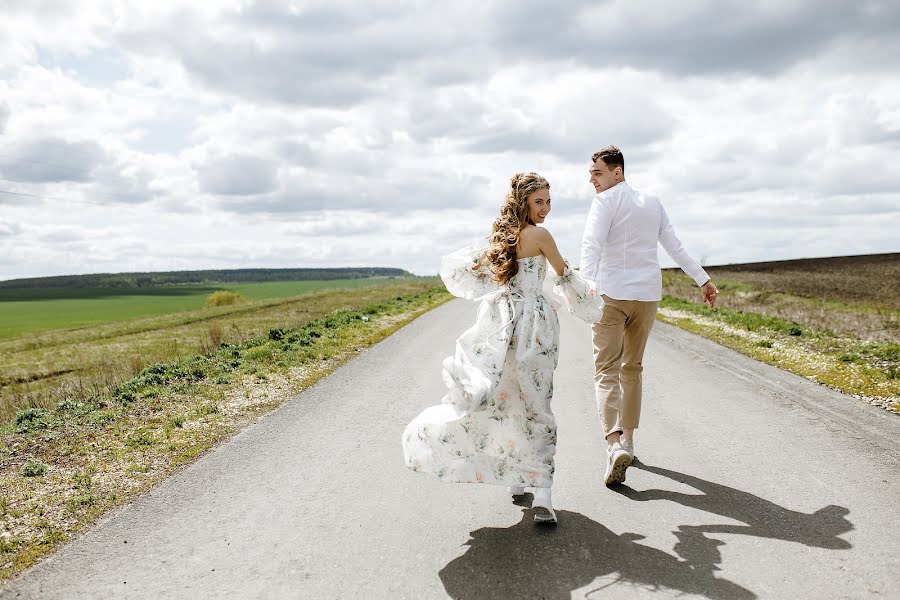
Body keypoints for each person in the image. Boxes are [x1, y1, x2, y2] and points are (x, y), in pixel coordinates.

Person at [403, 172, 604, 525]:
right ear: (524, 201)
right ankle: (541, 490)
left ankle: (516, 477)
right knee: (536, 402)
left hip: (499, 322)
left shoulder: (503, 239)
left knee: (506, 396)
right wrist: (588, 302)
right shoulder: (541, 236)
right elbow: (564, 275)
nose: (545, 209)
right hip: (535, 328)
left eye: (548, 201)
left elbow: (472, 274)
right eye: (539, 201)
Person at [581, 146, 719, 486]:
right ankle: (628, 440)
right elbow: (675, 246)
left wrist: (584, 289)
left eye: (597, 173)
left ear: (617, 172)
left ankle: (614, 445)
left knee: (606, 371)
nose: (592, 181)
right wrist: (703, 278)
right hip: (646, 297)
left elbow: (591, 246)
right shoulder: (653, 203)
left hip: (611, 296)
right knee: (632, 368)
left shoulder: (604, 203)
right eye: (590, 175)